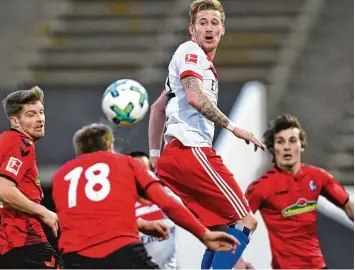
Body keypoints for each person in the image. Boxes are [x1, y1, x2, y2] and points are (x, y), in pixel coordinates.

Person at [148, 0, 265, 268]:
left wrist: (155, 155)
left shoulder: (195, 61)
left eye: (214, 23)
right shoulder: (192, 52)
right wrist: (235, 128)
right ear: (192, 29)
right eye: (203, 23)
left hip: (175, 157)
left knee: (219, 230)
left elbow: (157, 109)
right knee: (246, 220)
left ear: (223, 29)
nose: (209, 28)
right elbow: (193, 97)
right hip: (192, 150)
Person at [52, 123, 239, 269]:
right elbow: (166, 202)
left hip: (75, 259)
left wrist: (141, 224)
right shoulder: (126, 163)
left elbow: (89, 218)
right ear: (110, 146)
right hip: (121, 252)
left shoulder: (61, 177)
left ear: (79, 152)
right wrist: (204, 234)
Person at [240, 114, 354, 269]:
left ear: (302, 145)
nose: (287, 147)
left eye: (292, 141)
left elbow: (349, 206)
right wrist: (239, 262)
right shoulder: (260, 187)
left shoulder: (318, 177)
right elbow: (236, 226)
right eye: (280, 142)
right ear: (273, 148)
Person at [0, 87, 63, 269]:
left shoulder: (5, 141)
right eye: (30, 114)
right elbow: (4, 189)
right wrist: (44, 212)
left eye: (41, 112)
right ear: (15, 120)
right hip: (21, 237)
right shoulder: (22, 143)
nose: (39, 119)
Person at [130, 151, 178, 269]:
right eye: (138, 170)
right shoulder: (124, 207)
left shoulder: (170, 197)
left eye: (147, 170)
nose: (144, 175)